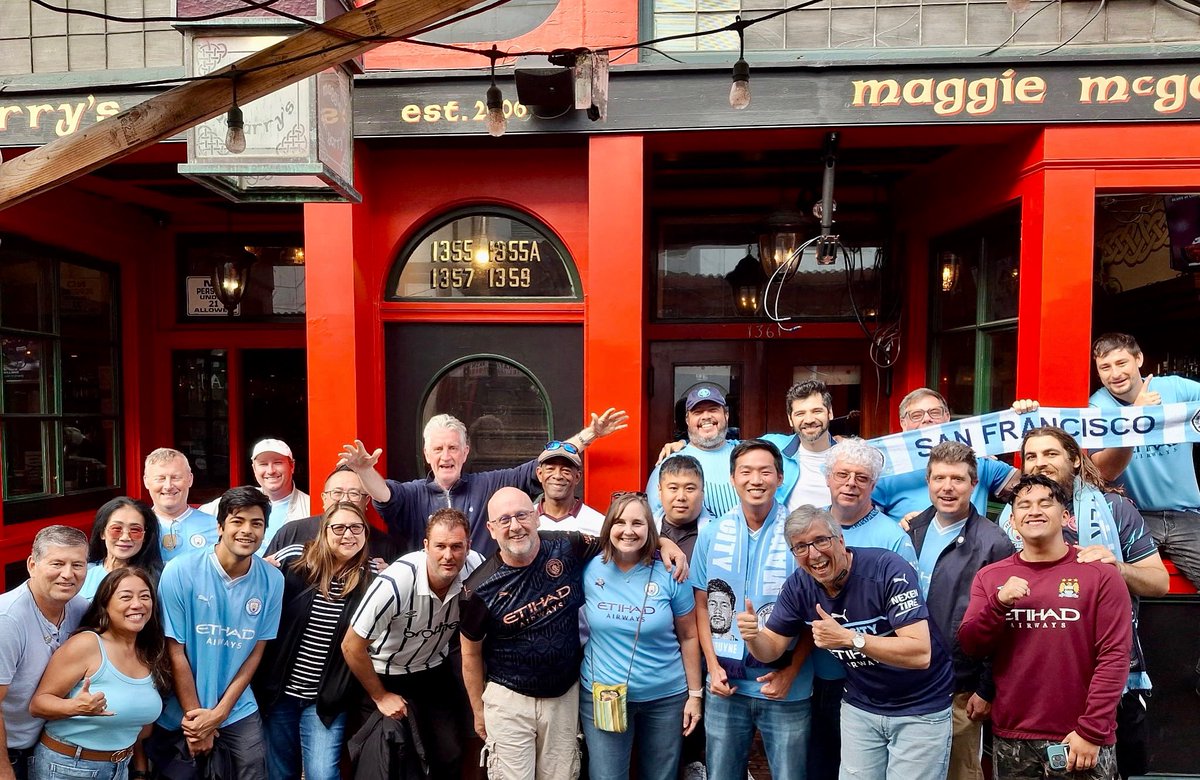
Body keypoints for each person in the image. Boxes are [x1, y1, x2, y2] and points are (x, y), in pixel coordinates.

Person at [459, 487, 688, 779]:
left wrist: (664, 542)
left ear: (537, 517)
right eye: (504, 520)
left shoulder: (568, 545)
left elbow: (621, 538)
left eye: (522, 515)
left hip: (563, 697)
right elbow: (470, 652)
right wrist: (478, 710)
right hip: (509, 699)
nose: (515, 526)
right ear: (491, 529)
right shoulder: (477, 589)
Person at [998, 425, 1169, 777]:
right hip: (1031, 684)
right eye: (1031, 456)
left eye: (1050, 454)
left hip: (1110, 682)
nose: (1040, 463)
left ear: (1075, 459)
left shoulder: (1115, 508)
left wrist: (1117, 567)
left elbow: (1160, 582)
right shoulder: (1010, 518)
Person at [744, 506, 956, 779]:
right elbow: (771, 647)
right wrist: (753, 637)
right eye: (801, 547)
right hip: (862, 704)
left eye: (821, 540)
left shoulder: (886, 569)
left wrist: (850, 639)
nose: (814, 554)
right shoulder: (800, 586)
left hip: (920, 705)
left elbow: (920, 652)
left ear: (840, 540)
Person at [959, 475, 1133, 779]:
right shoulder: (990, 577)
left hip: (1080, 737)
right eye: (1024, 505)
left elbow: (1115, 657)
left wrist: (1092, 731)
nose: (1034, 511)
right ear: (1012, 521)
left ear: (1065, 516)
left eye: (1045, 503)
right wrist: (998, 604)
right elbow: (971, 645)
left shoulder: (1100, 574)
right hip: (1013, 736)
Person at [340, 408, 629, 554]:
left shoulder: (488, 485)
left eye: (453, 448)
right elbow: (384, 496)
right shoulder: (412, 494)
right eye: (438, 449)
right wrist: (364, 471)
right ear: (427, 453)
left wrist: (588, 436)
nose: (446, 455)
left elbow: (541, 466)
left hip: (481, 604)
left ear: (465, 452)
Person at [690, 440, 812, 780]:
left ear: (780, 478)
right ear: (732, 479)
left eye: (764, 471)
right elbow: (701, 604)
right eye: (745, 471)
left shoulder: (799, 535)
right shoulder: (712, 533)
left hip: (787, 687)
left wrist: (791, 673)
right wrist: (712, 668)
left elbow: (815, 614)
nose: (755, 479)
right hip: (726, 687)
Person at [147, 486, 285, 780]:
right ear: (220, 526)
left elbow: (255, 652)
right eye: (238, 521)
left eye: (256, 523)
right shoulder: (180, 571)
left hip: (236, 706)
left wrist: (220, 714)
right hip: (180, 708)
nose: (247, 531)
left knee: (255, 767)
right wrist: (197, 722)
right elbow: (175, 650)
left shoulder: (273, 579)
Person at [342, 508, 483, 780]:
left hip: (432, 671)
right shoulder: (396, 582)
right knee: (391, 761)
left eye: (457, 546)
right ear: (426, 546)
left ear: (469, 546)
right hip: (384, 674)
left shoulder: (475, 568)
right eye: (440, 546)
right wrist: (380, 696)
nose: (448, 555)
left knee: (449, 752)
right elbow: (351, 646)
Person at [808, 437, 917, 780]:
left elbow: (909, 613)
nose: (850, 484)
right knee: (819, 766)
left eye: (861, 477)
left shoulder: (892, 537)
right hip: (816, 675)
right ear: (828, 478)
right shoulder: (808, 527)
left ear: (873, 484)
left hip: (873, 680)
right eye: (842, 475)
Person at [904, 441, 1014, 780]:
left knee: (960, 773)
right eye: (939, 478)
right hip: (906, 678)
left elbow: (1005, 626)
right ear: (928, 481)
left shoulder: (994, 542)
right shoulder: (910, 531)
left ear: (974, 484)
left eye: (957, 479)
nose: (947, 487)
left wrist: (986, 688)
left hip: (960, 688)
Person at [580, 492, 703, 780]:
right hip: (603, 693)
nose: (628, 530)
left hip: (665, 698)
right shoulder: (588, 566)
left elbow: (689, 636)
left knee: (661, 775)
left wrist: (695, 695)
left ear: (650, 529)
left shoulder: (670, 573)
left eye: (638, 523)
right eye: (620, 522)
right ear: (608, 526)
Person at [253, 501, 376, 780]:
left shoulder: (372, 578)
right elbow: (253, 578)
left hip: (326, 699)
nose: (348, 535)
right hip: (280, 693)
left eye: (356, 528)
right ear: (324, 531)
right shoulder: (295, 560)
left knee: (322, 773)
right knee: (280, 773)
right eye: (339, 527)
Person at [29, 566, 171, 780]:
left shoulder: (148, 653)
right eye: (125, 597)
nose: (137, 604)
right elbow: (38, 704)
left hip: (121, 767)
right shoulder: (87, 644)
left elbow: (138, 725)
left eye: (145, 597)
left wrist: (140, 769)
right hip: (68, 767)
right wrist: (76, 706)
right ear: (105, 604)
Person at [1088, 332, 1200, 588]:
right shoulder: (1097, 408)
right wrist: (1134, 421)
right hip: (1134, 514)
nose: (1114, 373)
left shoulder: (1175, 388)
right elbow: (1105, 472)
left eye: (1121, 363)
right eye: (1105, 367)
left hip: (1187, 513)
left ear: (1138, 359)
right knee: (1112, 583)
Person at [0, 526, 90, 780]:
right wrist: (4, 770)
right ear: (32, 565)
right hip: (10, 751)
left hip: (47, 746)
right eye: (57, 563)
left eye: (78, 565)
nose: (67, 575)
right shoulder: (7, 619)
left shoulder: (79, 607)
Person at [871, 389, 1021, 518]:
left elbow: (1030, 484)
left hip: (971, 548)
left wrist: (1025, 419)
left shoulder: (979, 462)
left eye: (935, 412)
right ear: (903, 423)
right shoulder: (886, 471)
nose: (927, 419)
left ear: (947, 417)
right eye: (916, 415)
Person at [264, 465, 401, 573]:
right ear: (324, 499)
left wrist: (389, 578)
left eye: (354, 494)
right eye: (337, 493)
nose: (345, 500)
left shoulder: (384, 544)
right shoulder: (292, 532)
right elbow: (264, 574)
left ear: (366, 501)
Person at [200, 439, 310, 553]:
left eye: (278, 462)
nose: (271, 470)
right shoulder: (237, 500)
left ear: (292, 466)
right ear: (254, 469)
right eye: (263, 464)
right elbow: (197, 521)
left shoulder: (309, 506)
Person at [647, 385, 739, 519]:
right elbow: (655, 520)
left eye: (713, 410)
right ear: (687, 420)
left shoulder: (746, 454)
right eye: (698, 412)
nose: (706, 416)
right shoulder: (670, 463)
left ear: (726, 415)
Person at [761, 380, 839, 511]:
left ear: (830, 413)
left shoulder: (848, 457)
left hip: (835, 531)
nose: (809, 420)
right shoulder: (773, 446)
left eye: (817, 411)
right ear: (790, 419)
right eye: (800, 414)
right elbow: (732, 450)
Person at [143, 449, 218, 563]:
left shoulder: (215, 526)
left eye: (175, 477)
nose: (168, 486)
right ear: (146, 481)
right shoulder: (139, 526)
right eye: (160, 478)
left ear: (190, 479)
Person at [80, 497, 163, 600]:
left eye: (135, 530)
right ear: (102, 532)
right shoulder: (84, 573)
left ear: (145, 536)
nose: (125, 538)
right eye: (116, 529)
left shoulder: (160, 578)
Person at [533, 441, 605, 534]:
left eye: (566, 470)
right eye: (550, 469)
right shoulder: (524, 521)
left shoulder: (599, 524)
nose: (558, 476)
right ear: (539, 474)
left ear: (577, 477)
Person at [656, 455, 712, 561]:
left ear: (702, 492)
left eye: (689, 488)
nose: (681, 497)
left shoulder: (719, 535)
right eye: (673, 488)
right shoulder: (644, 531)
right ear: (660, 491)